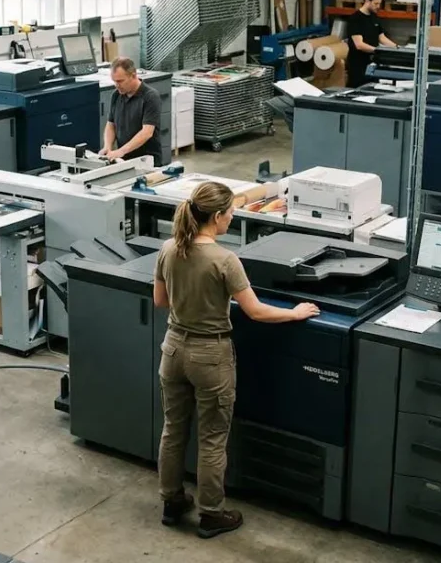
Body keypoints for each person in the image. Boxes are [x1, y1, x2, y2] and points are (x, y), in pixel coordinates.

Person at [152, 182, 320, 539]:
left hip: (173, 349)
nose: (231, 218)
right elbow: (256, 312)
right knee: (212, 438)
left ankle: (172, 501)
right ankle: (211, 514)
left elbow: (160, 301)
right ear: (216, 217)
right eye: (229, 213)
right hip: (209, 356)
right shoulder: (225, 260)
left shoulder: (168, 248)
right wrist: (295, 313)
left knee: (173, 429)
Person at [103, 57, 163, 163]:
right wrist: (107, 147)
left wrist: (121, 151)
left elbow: (147, 132)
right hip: (124, 160)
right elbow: (111, 125)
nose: (117, 85)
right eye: (114, 81)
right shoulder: (116, 95)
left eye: (120, 81)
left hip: (146, 160)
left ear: (133, 75)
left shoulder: (150, 97)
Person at [345, 0, 398, 88]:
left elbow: (382, 38)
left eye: (379, 4)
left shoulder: (374, 17)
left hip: (372, 63)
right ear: (367, 1)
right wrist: (377, 51)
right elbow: (359, 45)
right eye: (376, 3)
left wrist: (397, 48)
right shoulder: (356, 19)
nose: (378, 6)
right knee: (357, 90)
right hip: (358, 64)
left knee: (372, 88)